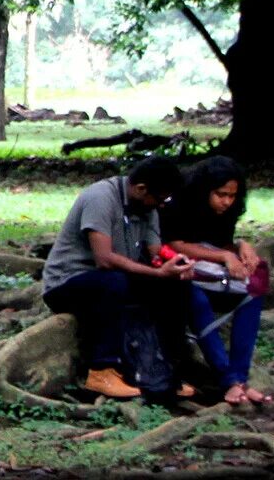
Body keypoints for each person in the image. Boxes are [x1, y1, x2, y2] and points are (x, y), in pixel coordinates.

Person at [41, 155, 197, 400]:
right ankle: (101, 370)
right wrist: (156, 273)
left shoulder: (149, 207)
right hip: (69, 282)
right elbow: (104, 258)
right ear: (141, 188)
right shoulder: (101, 198)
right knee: (113, 282)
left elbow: (155, 252)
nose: (160, 205)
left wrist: (174, 265)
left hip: (117, 279)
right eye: (158, 198)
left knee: (175, 288)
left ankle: (165, 372)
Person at [162, 154, 272, 406]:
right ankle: (229, 379)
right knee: (196, 301)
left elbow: (222, 242)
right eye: (221, 194)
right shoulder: (180, 203)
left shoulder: (227, 211)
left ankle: (239, 379)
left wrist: (241, 247)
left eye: (232, 196)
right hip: (179, 273)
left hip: (212, 274)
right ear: (205, 190)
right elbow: (175, 243)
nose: (226, 202)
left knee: (253, 293)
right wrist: (223, 255)